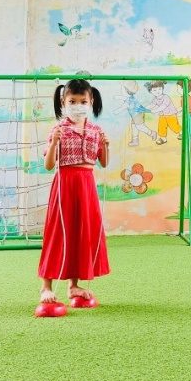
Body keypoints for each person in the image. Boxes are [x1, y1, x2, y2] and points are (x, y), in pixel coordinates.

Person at [39, 79, 110, 306]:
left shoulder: (96, 131)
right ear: (63, 102)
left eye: (82, 101)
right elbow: (49, 165)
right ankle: (46, 287)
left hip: (86, 185)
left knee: (81, 232)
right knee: (58, 233)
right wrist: (53, 143)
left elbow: (103, 163)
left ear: (91, 101)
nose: (78, 105)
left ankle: (74, 285)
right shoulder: (59, 129)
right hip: (65, 184)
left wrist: (105, 145)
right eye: (72, 101)